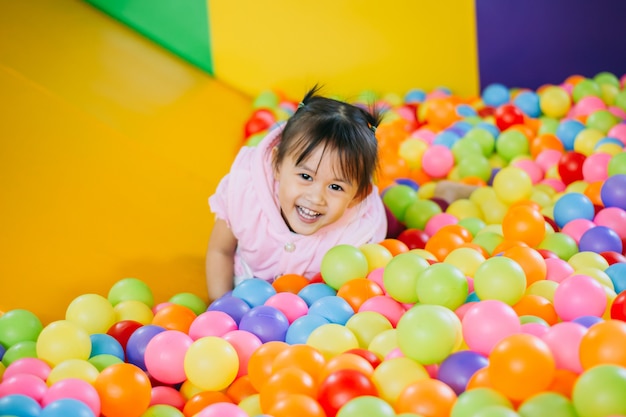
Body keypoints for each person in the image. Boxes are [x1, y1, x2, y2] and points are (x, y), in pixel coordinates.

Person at [205, 85, 388, 300]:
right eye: (306, 177)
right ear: (277, 165)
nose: (316, 197)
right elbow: (220, 252)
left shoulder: (358, 234)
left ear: (358, 196)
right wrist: (221, 306)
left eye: (335, 187)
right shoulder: (248, 193)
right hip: (245, 288)